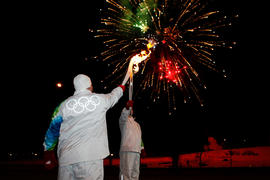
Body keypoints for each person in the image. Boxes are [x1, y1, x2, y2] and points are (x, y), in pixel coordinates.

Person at [43, 74, 128, 180]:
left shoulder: (63, 105)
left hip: (66, 159)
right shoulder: (99, 100)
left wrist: (48, 151)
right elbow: (113, 96)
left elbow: (52, 130)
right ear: (89, 85)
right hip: (90, 157)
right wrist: (121, 88)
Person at [119, 100, 146, 180]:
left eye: (131, 108)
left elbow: (139, 138)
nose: (131, 109)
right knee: (126, 172)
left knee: (135, 172)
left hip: (137, 150)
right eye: (129, 108)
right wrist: (127, 107)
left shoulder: (137, 124)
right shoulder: (123, 121)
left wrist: (142, 148)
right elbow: (124, 115)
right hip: (127, 149)